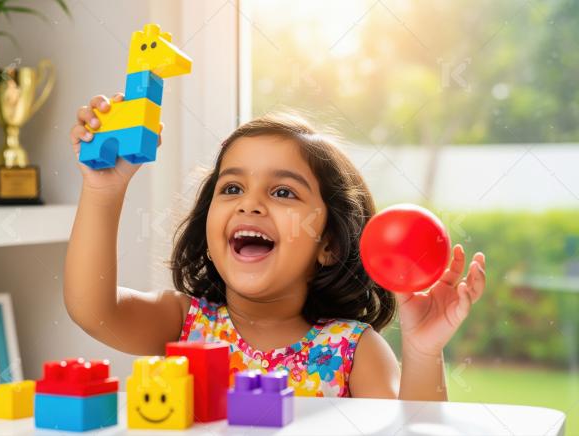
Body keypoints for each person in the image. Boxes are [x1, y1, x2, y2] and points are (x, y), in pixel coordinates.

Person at [64, 94, 486, 399]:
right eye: (232, 187)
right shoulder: (183, 323)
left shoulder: (354, 350)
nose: (250, 202)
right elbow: (92, 309)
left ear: (331, 245)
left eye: (283, 193)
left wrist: (421, 350)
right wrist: (105, 189)